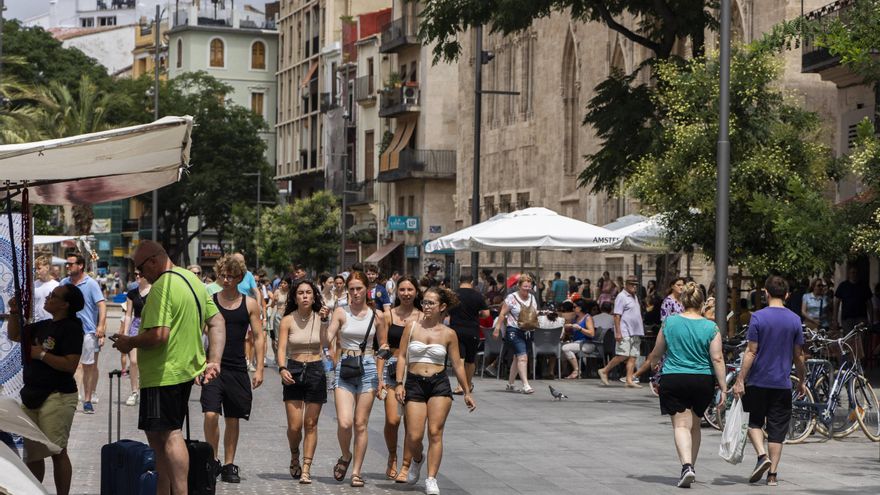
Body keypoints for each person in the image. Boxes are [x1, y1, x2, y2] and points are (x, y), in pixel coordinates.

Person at [112, 240, 226, 495]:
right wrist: (214, 360)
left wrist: (129, 342)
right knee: (167, 434)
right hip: (184, 369)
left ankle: (175, 491)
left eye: (140, 269)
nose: (139, 275)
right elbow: (217, 320)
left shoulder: (163, 286)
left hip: (162, 373)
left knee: (167, 436)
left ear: (153, 261)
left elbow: (158, 335)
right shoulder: (191, 279)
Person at [643, 282, 727, 488]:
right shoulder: (711, 326)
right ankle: (691, 467)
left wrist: (653, 367)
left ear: (682, 301)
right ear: (701, 303)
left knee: (681, 425)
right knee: (695, 425)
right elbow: (717, 358)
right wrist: (724, 387)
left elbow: (657, 352)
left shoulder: (669, 323)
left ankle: (686, 466)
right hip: (702, 379)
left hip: (675, 377)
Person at [394, 287, 476, 494]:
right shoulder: (412, 327)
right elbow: (402, 355)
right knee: (413, 436)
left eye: (431, 303)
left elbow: (457, 364)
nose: (426, 306)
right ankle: (418, 459)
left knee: (435, 432)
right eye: (424, 302)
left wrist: (466, 390)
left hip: (439, 383)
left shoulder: (449, 333)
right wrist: (399, 383)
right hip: (414, 382)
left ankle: (431, 478)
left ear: (442, 307)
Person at [6, 285, 84, 495]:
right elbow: (15, 335)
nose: (48, 298)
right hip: (32, 395)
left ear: (65, 305)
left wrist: (41, 355)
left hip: (56, 396)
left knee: (57, 451)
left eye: (54, 296)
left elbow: (70, 365)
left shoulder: (72, 328)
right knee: (33, 453)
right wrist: (14, 312)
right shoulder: (44, 325)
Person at [733, 276, 807, 487]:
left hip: (757, 381)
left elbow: (751, 351)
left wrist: (740, 379)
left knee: (753, 421)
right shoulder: (794, 319)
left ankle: (761, 455)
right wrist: (802, 380)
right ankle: (772, 475)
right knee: (777, 429)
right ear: (787, 295)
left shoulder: (757, 317)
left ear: (765, 292)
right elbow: (798, 355)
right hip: (781, 383)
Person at [202, 255, 265, 483]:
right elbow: (200, 334)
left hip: (237, 367)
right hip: (212, 366)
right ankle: (212, 460)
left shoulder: (249, 303)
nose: (226, 279)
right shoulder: (210, 300)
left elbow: (258, 337)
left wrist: (259, 369)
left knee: (233, 418)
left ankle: (229, 464)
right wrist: (198, 364)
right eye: (223, 275)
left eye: (231, 276)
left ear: (240, 277)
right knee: (210, 414)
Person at [325, 271, 389, 487]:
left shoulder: (377, 315)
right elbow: (328, 337)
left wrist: (381, 377)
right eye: (351, 289)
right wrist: (326, 321)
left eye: (358, 288)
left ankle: (356, 472)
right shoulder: (341, 312)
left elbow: (383, 345)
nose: (355, 292)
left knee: (360, 424)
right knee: (345, 422)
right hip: (345, 367)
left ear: (366, 289)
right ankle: (345, 455)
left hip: (369, 367)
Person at [276, 279, 331, 484]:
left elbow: (326, 344)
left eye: (309, 292)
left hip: (316, 369)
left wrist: (325, 322)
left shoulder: (321, 317)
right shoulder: (288, 320)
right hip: (294, 369)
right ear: (295, 297)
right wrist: (282, 368)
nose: (305, 296)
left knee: (311, 424)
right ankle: (294, 454)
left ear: (314, 296)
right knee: (294, 426)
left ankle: (306, 467)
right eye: (301, 293)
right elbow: (281, 349)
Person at [380, 276, 422, 481]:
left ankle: (406, 466)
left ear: (416, 292)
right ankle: (392, 455)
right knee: (393, 419)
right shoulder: (388, 315)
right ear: (397, 292)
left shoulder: (422, 316)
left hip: (414, 370)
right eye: (402, 289)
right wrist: (379, 377)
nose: (406, 293)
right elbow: (381, 347)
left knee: (411, 423)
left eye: (410, 289)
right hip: (391, 367)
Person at [61, 253, 106, 414]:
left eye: (71, 264)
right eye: (67, 264)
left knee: (88, 367)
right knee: (70, 366)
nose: (68, 266)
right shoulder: (64, 283)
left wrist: (101, 326)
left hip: (88, 332)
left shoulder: (91, 283)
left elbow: (101, 305)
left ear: (80, 266)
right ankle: (71, 398)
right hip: (68, 331)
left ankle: (87, 399)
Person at [493, 274, 538, 394]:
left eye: (529, 287)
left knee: (517, 357)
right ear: (519, 286)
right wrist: (497, 328)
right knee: (523, 357)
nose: (527, 289)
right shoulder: (511, 298)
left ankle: (511, 384)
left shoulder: (532, 297)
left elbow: (533, 313)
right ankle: (526, 385)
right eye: (525, 287)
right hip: (514, 330)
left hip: (528, 331)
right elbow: (502, 313)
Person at [597, 275, 644, 388]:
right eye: (632, 284)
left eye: (636, 285)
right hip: (625, 330)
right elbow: (617, 315)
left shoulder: (634, 296)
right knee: (623, 354)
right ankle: (604, 370)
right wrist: (618, 332)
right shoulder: (621, 296)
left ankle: (629, 379)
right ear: (626, 284)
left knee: (633, 355)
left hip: (636, 330)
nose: (634, 287)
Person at [449, 274, 489, 394]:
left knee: (459, 358)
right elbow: (486, 314)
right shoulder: (477, 295)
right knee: (470, 360)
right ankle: (468, 384)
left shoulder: (453, 294)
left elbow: (446, 310)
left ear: (459, 281)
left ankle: (460, 385)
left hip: (456, 330)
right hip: (472, 330)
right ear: (471, 282)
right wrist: (477, 315)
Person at [121, 272, 151, 407]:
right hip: (136, 325)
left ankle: (147, 389)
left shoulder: (155, 290)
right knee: (133, 361)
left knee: (148, 361)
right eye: (136, 274)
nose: (138, 276)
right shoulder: (132, 293)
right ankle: (134, 391)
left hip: (150, 325)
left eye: (140, 274)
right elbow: (128, 314)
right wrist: (126, 333)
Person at [233, 253, 264, 372]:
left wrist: (259, 305)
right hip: (233, 307)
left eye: (242, 261)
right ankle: (240, 359)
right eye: (237, 261)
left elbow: (256, 291)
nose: (240, 263)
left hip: (247, 308)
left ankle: (250, 362)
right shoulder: (229, 273)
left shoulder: (249, 275)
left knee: (251, 338)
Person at [561, 299, 596, 379]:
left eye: (574, 307)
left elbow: (592, 333)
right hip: (578, 343)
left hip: (587, 344)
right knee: (561, 349)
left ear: (580, 308)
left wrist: (580, 328)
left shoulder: (587, 318)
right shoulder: (576, 318)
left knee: (565, 348)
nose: (573, 309)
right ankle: (564, 371)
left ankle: (576, 370)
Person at [833, 264, 873, 332]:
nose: (854, 274)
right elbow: (837, 303)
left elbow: (869, 303)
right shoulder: (843, 286)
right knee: (849, 340)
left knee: (861, 339)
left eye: (856, 272)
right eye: (852, 272)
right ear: (849, 274)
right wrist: (835, 320)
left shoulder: (864, 286)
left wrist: (871, 319)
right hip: (847, 318)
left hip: (861, 318)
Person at [33, 255, 60, 323]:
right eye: (35, 269)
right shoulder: (33, 286)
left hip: (52, 323)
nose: (36, 271)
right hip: (36, 324)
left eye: (39, 268)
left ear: (47, 267)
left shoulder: (56, 286)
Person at [268, 277, 291, 357]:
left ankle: (287, 356)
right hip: (278, 316)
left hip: (288, 316)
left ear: (289, 284)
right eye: (282, 283)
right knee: (278, 338)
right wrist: (274, 300)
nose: (282, 285)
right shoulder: (277, 291)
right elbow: (272, 305)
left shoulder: (291, 293)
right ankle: (278, 357)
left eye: (285, 283)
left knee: (288, 338)